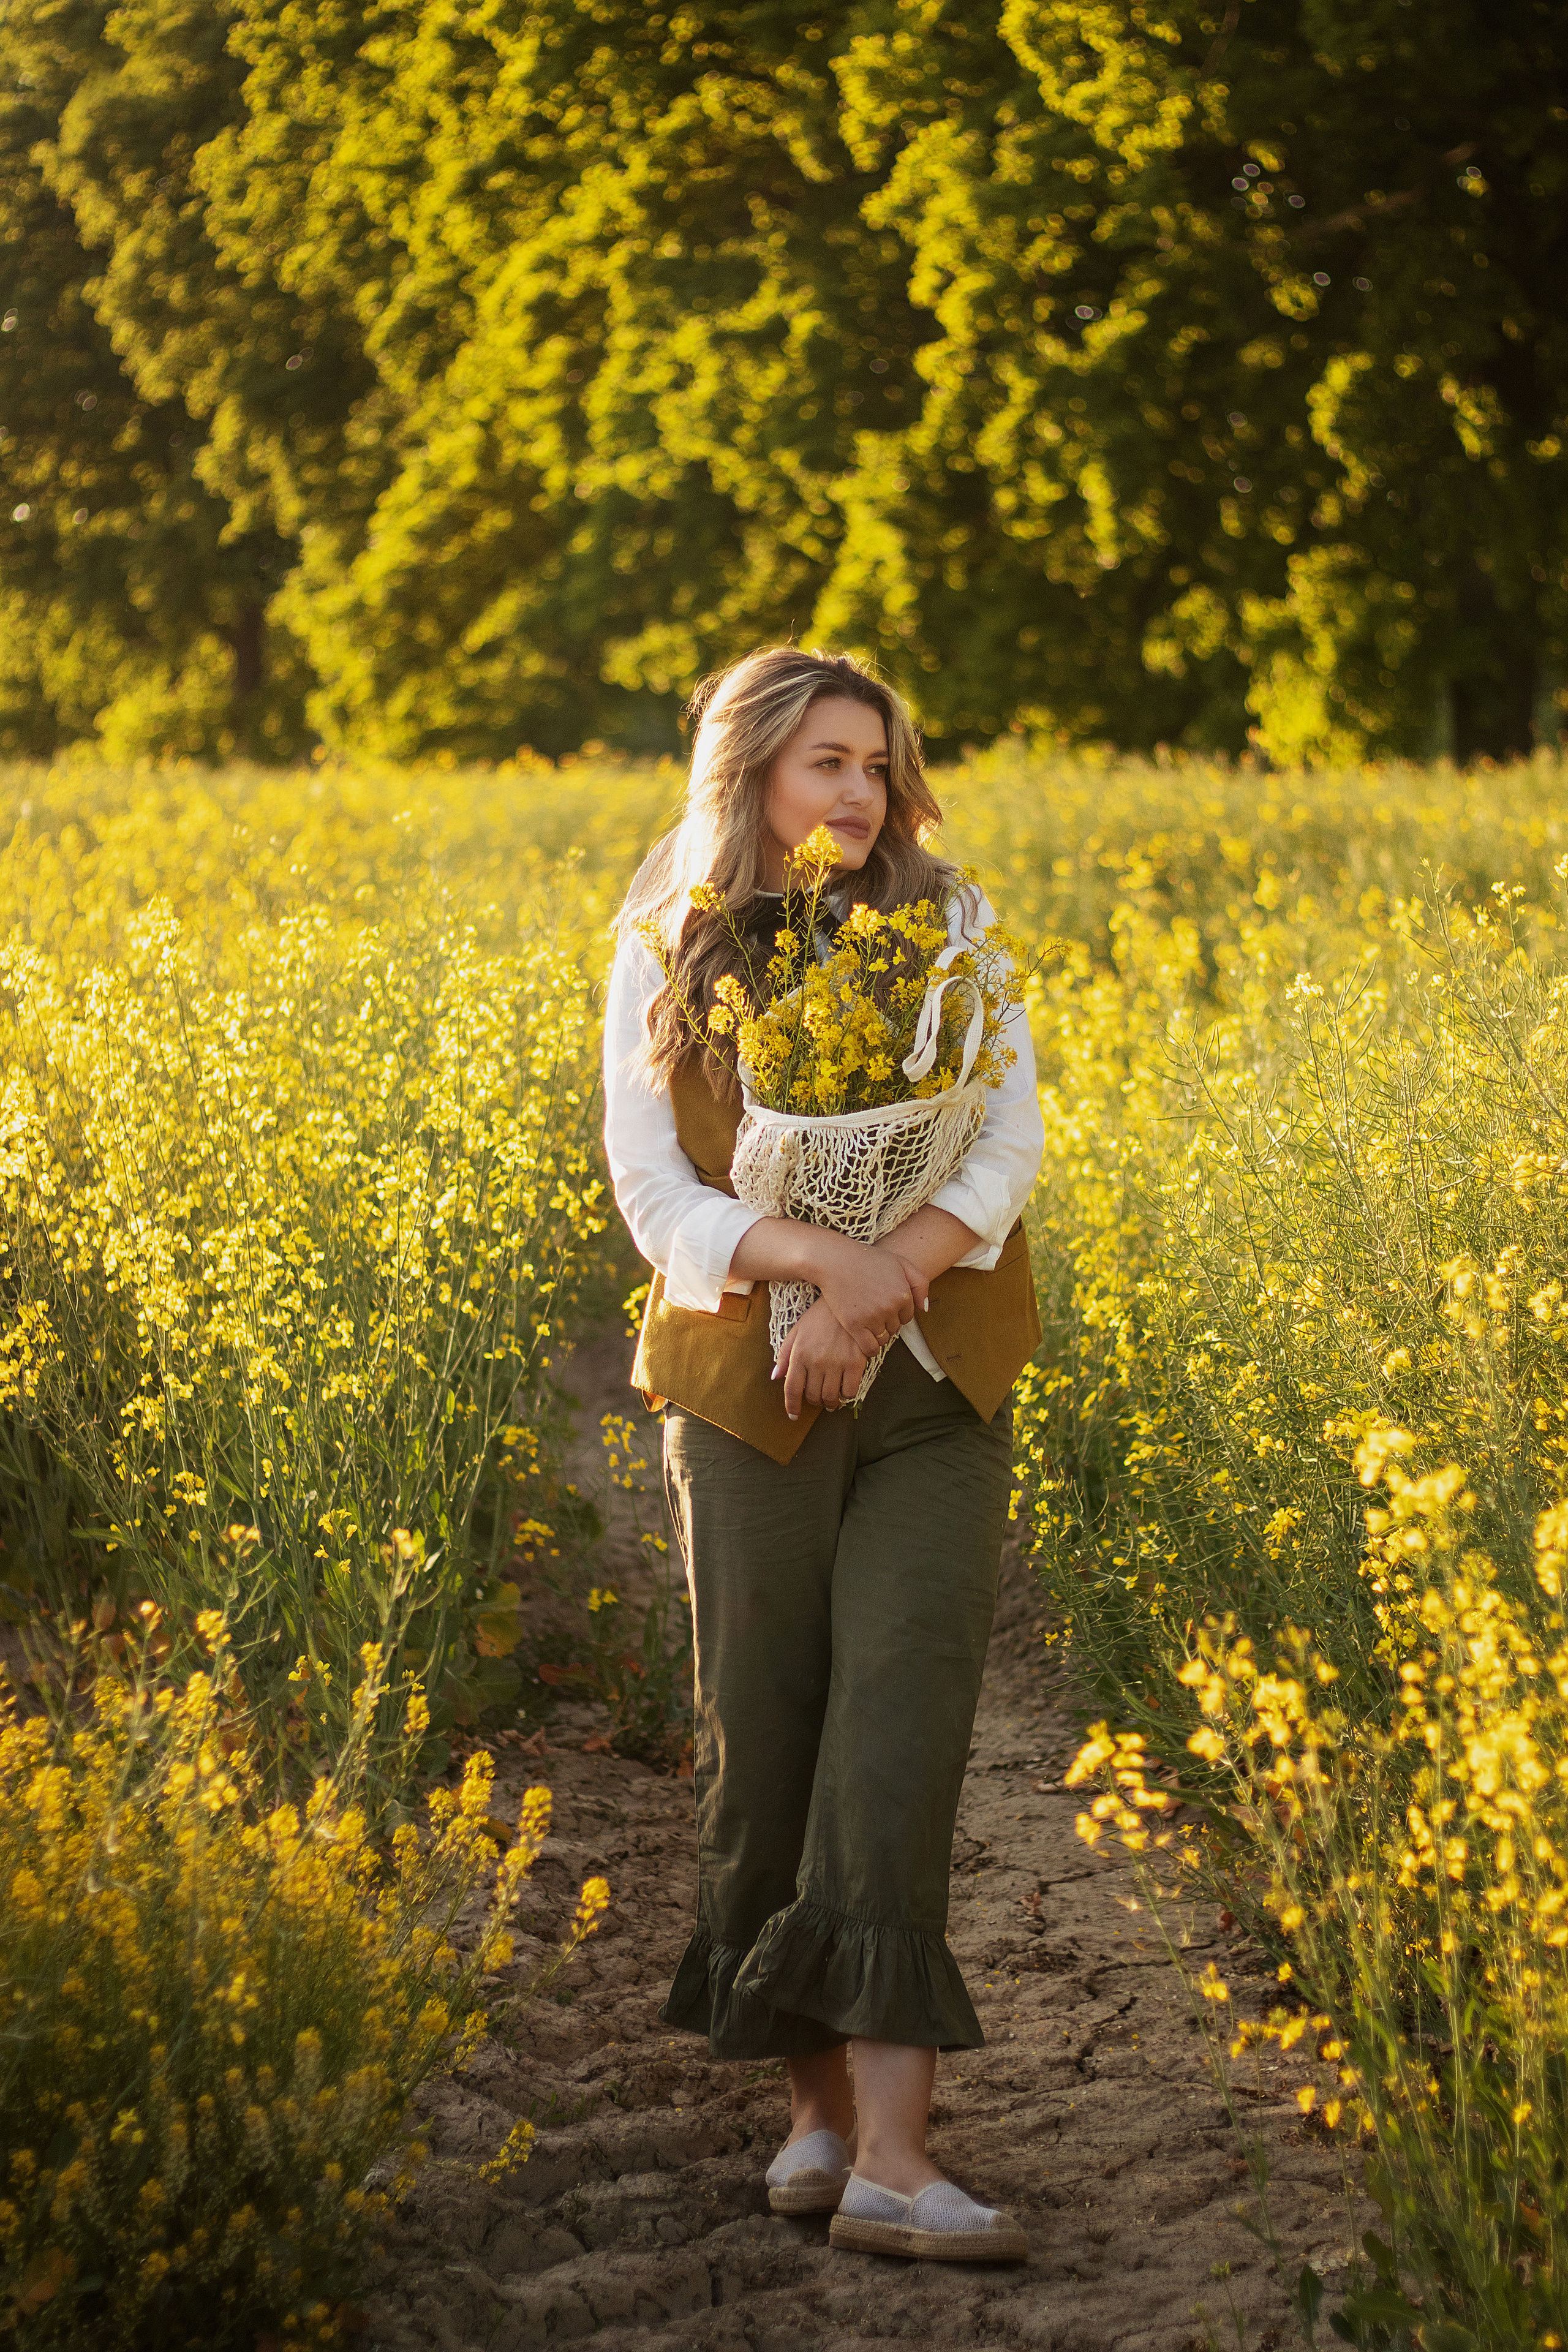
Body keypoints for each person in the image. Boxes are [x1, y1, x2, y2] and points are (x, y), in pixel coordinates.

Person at [603, 646, 1044, 2264]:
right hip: (746, 1389)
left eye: (875, 762)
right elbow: (654, 1194)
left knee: (902, 1728)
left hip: (934, 1382)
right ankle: (816, 2124)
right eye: (822, 765)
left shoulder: (959, 929)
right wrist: (814, 1260)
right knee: (770, 1733)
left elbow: (1008, 1142)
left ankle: (901, 2162)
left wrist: (887, 1279)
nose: (858, 793)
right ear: (753, 780)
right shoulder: (667, 940)